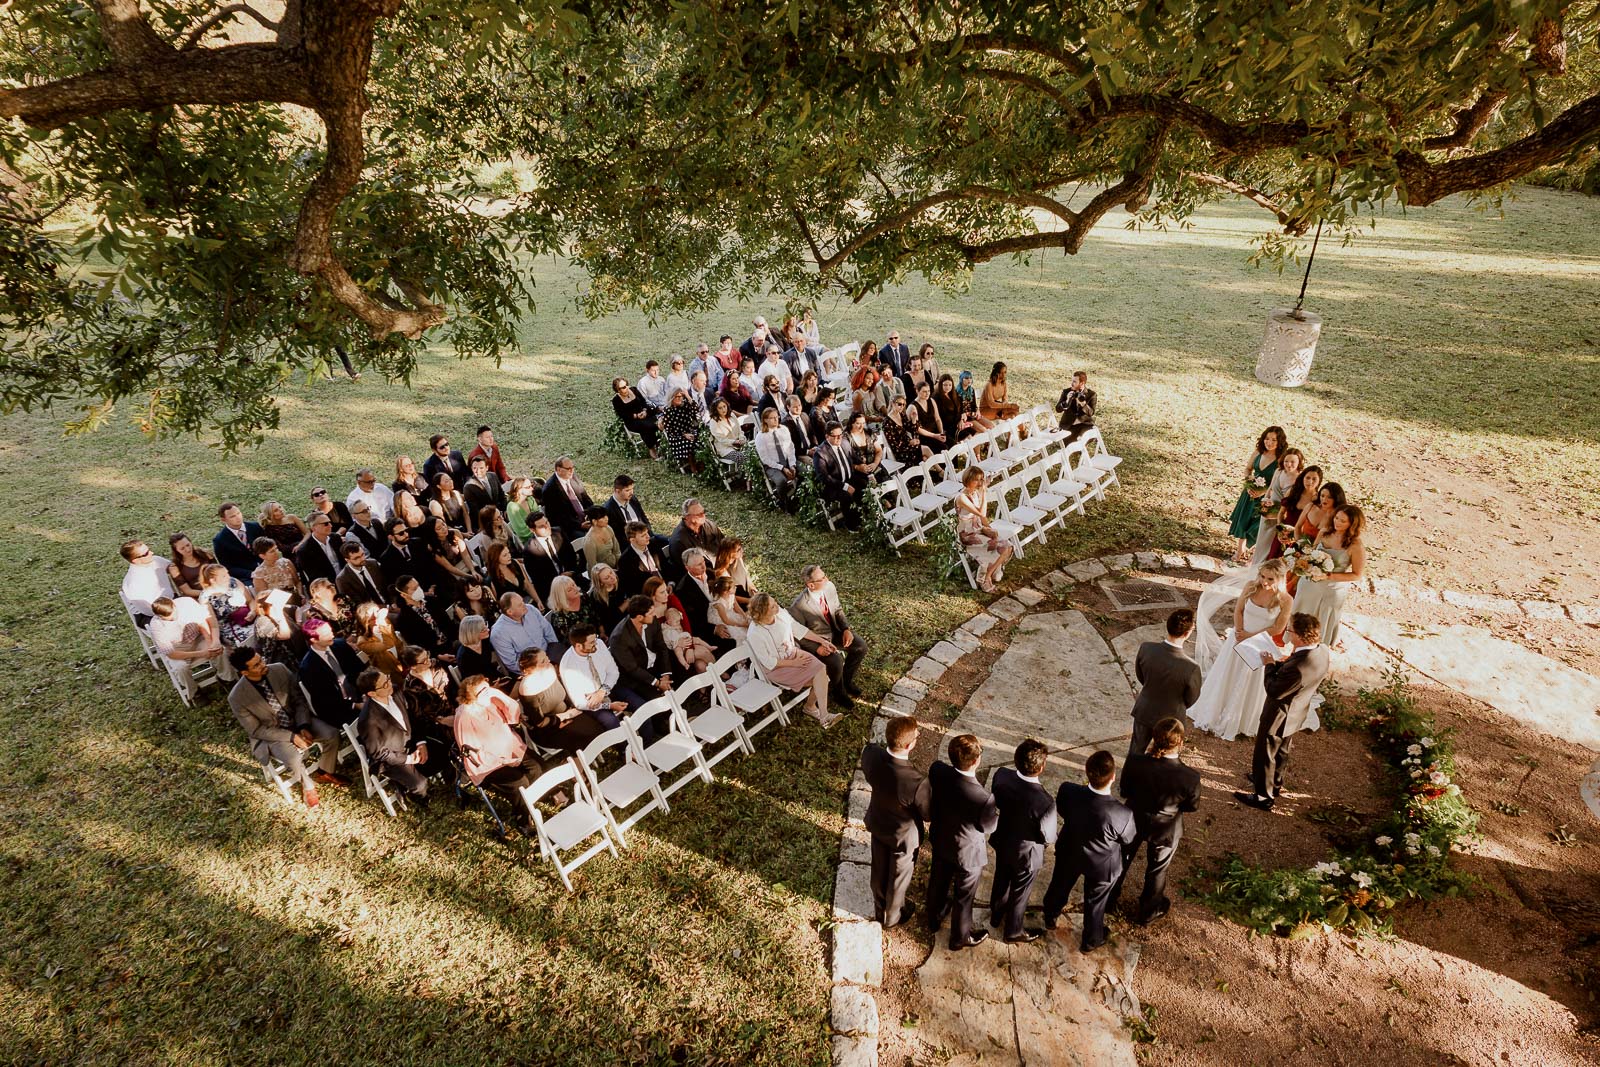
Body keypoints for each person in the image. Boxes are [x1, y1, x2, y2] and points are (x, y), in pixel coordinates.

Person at [1041, 750, 1136, 952]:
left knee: (1059, 884)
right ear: (1113, 777)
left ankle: (1050, 916)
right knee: (1096, 901)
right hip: (1102, 864)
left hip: (1070, 850)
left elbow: (1063, 811)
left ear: (1087, 772)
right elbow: (1128, 839)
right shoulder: (1123, 813)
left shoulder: (1068, 791)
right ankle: (1091, 939)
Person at [1189, 559, 1293, 740]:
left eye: (1270, 579)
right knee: (1227, 674)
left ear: (1280, 579)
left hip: (1259, 644)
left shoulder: (1285, 599)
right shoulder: (1251, 587)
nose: (1265, 582)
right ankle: (1214, 711)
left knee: (1249, 680)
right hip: (1237, 638)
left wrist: (1250, 637)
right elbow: (1238, 611)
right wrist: (1239, 632)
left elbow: (1278, 628)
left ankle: (1241, 720)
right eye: (1262, 576)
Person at [1236, 614, 1332, 811]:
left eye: (1289, 631)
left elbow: (1273, 690)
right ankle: (1275, 783)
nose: (1287, 634)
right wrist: (1282, 663)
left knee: (1266, 753)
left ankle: (1264, 797)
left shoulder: (1297, 667)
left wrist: (1269, 665)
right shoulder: (1321, 651)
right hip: (1296, 712)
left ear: (1300, 636)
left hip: (1279, 715)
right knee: (1282, 750)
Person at [228, 648, 345, 808]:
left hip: (297, 719)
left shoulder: (279, 669)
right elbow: (256, 730)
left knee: (331, 734)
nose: (263, 664)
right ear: (245, 673)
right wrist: (292, 737)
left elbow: (298, 699)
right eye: (256, 665)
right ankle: (307, 784)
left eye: (261, 659)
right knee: (293, 758)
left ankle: (324, 771)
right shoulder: (237, 697)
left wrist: (303, 725)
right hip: (273, 735)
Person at [1115, 718, 1200, 926]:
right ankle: (1148, 911)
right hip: (1166, 828)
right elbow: (1191, 806)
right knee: (1157, 869)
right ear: (1180, 743)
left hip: (1133, 820)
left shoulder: (1135, 761)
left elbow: (1124, 790)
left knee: (1121, 861)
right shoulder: (1190, 777)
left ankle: (1108, 899)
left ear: (1154, 738)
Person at [925, 733, 1000, 951]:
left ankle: (933, 918)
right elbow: (989, 827)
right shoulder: (983, 798)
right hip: (967, 853)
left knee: (938, 881)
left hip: (941, 840)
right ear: (976, 761)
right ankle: (959, 938)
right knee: (964, 896)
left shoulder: (938, 770)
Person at [860, 715, 932, 928]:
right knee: (898, 879)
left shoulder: (871, 755)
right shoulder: (917, 781)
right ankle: (892, 918)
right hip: (902, 838)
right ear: (910, 745)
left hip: (878, 824)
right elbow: (928, 814)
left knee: (879, 869)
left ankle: (878, 907)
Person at [987, 739, 1058, 943]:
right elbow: (1049, 836)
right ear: (1041, 767)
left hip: (1003, 840)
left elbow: (997, 801)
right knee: (1020, 892)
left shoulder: (1001, 776)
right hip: (1027, 853)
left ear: (1015, 759)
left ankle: (996, 915)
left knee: (1001, 877)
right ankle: (1013, 930)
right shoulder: (1045, 802)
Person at [745, 592, 838, 726]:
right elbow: (769, 662)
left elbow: (798, 629)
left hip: (794, 654)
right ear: (763, 612)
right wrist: (794, 663)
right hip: (776, 668)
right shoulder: (755, 633)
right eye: (772, 606)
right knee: (821, 679)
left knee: (822, 672)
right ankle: (814, 710)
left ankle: (821, 713)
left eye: (775, 602)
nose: (777, 606)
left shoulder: (780, 613)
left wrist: (822, 641)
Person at [454, 674, 546, 809]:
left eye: (488, 688)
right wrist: (505, 761)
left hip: (510, 747)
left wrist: (498, 694)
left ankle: (533, 798)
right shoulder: (464, 716)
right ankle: (524, 818)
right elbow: (473, 754)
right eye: (484, 691)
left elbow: (514, 717)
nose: (488, 692)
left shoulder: (491, 700)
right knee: (519, 782)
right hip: (488, 763)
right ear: (472, 696)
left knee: (537, 767)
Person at [1126, 609, 1202, 767]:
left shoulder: (1146, 648)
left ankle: (1127, 784)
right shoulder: (1191, 668)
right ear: (1188, 633)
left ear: (1167, 625)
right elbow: (1191, 698)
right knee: (1165, 758)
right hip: (1171, 719)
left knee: (1135, 750)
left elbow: (1141, 676)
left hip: (1145, 709)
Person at [789, 564, 868, 708]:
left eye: (825, 575)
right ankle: (838, 692)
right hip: (819, 642)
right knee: (836, 662)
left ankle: (847, 680)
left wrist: (846, 629)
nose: (827, 579)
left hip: (836, 631)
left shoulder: (829, 587)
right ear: (811, 585)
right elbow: (798, 635)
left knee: (860, 647)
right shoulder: (798, 606)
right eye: (822, 578)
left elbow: (837, 609)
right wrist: (816, 648)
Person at [1292, 504, 1366, 649]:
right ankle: (1294, 651)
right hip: (1309, 585)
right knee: (1301, 620)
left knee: (1319, 626)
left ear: (1352, 524)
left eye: (1343, 521)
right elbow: (1312, 554)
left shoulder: (1356, 546)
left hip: (1331, 591)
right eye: (1337, 518)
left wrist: (1328, 576)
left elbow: (1357, 575)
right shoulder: (1324, 532)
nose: (1337, 522)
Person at [355, 668, 431, 807]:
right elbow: (379, 753)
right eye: (384, 684)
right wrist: (408, 759)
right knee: (420, 784)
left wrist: (421, 743)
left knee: (439, 757)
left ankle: (405, 780)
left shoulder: (395, 690)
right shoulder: (367, 721)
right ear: (372, 693)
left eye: (388, 679)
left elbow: (412, 717)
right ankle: (415, 796)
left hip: (410, 742)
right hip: (390, 758)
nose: (390, 684)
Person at [514, 646, 608, 755]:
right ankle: (578, 767)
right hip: (549, 728)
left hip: (568, 712)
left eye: (546, 657)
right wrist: (567, 715)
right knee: (581, 738)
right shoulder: (528, 689)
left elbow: (564, 693)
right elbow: (540, 723)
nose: (548, 661)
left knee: (598, 725)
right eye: (543, 661)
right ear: (530, 669)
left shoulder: (549, 668)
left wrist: (574, 707)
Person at [1227, 426, 1287, 564]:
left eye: (1274, 440)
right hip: (1249, 494)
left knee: (1258, 526)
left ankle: (1255, 554)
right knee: (1243, 521)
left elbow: (1278, 482)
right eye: (1267, 439)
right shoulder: (1257, 453)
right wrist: (1249, 483)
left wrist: (1263, 491)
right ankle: (1240, 550)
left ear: (1280, 442)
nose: (1269, 442)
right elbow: (1248, 470)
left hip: (1267, 497)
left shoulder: (1280, 460)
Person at [608, 595, 677, 712]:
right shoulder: (619, 637)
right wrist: (658, 683)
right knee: (659, 706)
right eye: (650, 613)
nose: (654, 615)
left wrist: (665, 675)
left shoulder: (652, 620)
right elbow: (632, 669)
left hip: (655, 667)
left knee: (676, 693)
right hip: (636, 678)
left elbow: (661, 647)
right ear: (640, 617)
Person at [955, 467, 1016, 592]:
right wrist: (984, 494)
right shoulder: (962, 498)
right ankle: (985, 578)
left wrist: (989, 529)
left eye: (981, 480)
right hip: (967, 535)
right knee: (1001, 547)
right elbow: (981, 513)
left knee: (1008, 546)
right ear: (968, 480)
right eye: (976, 480)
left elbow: (982, 519)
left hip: (979, 529)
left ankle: (992, 570)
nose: (980, 483)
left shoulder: (975, 493)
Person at [559, 624, 634, 723]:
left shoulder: (598, 643)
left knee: (639, 704)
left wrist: (602, 692)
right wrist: (609, 706)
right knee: (612, 723)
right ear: (578, 645)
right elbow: (579, 703)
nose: (596, 643)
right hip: (591, 703)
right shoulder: (568, 666)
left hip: (608, 686)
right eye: (591, 642)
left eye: (595, 639)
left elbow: (613, 672)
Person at [298, 618, 365, 728]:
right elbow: (325, 699)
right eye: (326, 634)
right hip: (336, 707)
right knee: (367, 718)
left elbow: (359, 670)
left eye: (330, 631)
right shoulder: (308, 668)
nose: (332, 635)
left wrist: (365, 693)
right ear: (314, 640)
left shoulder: (341, 645)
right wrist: (355, 705)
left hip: (359, 693)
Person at [147, 595, 227, 685]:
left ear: (174, 605)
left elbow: (202, 622)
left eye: (174, 613)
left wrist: (210, 642)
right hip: (178, 647)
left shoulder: (186, 602)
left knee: (218, 650)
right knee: (180, 668)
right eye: (170, 619)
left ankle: (226, 678)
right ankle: (194, 693)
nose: (174, 618)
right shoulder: (156, 626)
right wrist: (201, 653)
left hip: (197, 637)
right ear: (159, 616)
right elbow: (171, 654)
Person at [1250, 448, 1305, 565]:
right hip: (1268, 511)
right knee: (1262, 541)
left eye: (1292, 462)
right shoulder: (1278, 471)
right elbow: (1270, 489)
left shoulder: (1300, 479)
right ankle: (1255, 565)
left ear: (1299, 463)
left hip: (1282, 514)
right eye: (1286, 461)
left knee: (1272, 544)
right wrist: (1265, 501)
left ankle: (1265, 566)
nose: (1288, 465)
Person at [673, 548, 729, 655]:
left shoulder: (710, 573)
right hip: (708, 627)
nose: (703, 566)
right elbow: (693, 620)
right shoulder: (682, 591)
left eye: (703, 561)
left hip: (724, 614)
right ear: (688, 568)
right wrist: (714, 629)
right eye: (699, 565)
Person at [490, 591, 561, 675]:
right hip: (532, 669)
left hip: (550, 654)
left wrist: (555, 654)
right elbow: (512, 663)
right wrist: (537, 669)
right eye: (520, 605)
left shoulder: (530, 609)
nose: (524, 605)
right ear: (510, 612)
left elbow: (548, 631)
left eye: (522, 601)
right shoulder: (498, 633)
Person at [812, 421, 864, 527]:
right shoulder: (820, 453)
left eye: (840, 435)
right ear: (827, 436)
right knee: (846, 496)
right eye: (835, 436)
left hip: (850, 478)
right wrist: (844, 486)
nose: (839, 438)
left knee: (864, 483)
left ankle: (865, 514)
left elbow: (854, 457)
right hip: (833, 485)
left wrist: (864, 466)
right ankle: (852, 525)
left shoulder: (844, 442)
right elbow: (824, 478)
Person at [200, 563, 260, 652]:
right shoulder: (205, 598)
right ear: (213, 580)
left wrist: (253, 611)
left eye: (227, 573)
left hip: (248, 617)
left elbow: (250, 601)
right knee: (250, 638)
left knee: (268, 626)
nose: (228, 577)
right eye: (224, 576)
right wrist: (216, 641)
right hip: (230, 627)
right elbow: (214, 625)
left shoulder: (234, 582)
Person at [522, 510, 577, 603]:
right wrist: (559, 581)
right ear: (532, 530)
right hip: (552, 589)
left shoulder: (559, 532)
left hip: (571, 577)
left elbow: (572, 556)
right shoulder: (529, 550)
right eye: (541, 526)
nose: (547, 527)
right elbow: (538, 579)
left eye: (547, 522)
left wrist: (570, 572)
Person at [120, 538, 175, 625]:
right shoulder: (133, 583)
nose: (151, 553)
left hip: (172, 602)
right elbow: (148, 610)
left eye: (149, 550)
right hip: (150, 615)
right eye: (146, 553)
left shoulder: (156, 560)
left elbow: (173, 567)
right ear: (135, 560)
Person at [541, 456, 594, 543]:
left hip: (585, 519)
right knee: (589, 540)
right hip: (570, 528)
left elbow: (585, 498)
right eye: (568, 468)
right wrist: (580, 525)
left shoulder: (572, 476)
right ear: (558, 469)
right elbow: (558, 518)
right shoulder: (549, 490)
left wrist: (591, 514)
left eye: (573, 467)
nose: (572, 471)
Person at [390, 574, 449, 653]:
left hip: (451, 640)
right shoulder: (403, 620)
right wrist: (437, 654)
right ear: (404, 595)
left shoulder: (431, 600)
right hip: (435, 652)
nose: (419, 590)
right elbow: (417, 645)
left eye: (418, 586)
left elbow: (447, 622)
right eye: (414, 589)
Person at [754, 406, 799, 507]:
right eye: (772, 418)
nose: (776, 419)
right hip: (772, 465)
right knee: (781, 480)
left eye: (777, 416)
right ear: (765, 420)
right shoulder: (761, 436)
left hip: (787, 460)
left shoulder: (783, 429)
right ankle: (784, 502)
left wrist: (792, 464)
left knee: (803, 471)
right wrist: (782, 468)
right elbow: (765, 459)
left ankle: (797, 496)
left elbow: (791, 448)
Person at [212, 503, 267, 583]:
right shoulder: (220, 540)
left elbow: (268, 548)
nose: (238, 517)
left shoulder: (255, 527)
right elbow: (228, 567)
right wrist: (251, 574)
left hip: (267, 566)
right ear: (223, 520)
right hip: (246, 576)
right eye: (232, 516)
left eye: (238, 513)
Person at [665, 498, 722, 573]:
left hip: (720, 565)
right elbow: (689, 571)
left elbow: (723, 542)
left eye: (703, 512)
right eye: (699, 514)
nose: (703, 516)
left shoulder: (709, 525)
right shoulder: (679, 541)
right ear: (687, 517)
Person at [611, 377, 661, 459]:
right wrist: (636, 415)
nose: (626, 388)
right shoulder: (616, 400)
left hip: (644, 414)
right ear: (618, 390)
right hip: (632, 421)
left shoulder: (634, 390)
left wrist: (644, 411)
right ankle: (652, 448)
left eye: (626, 385)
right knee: (646, 426)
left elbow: (643, 402)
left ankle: (659, 443)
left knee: (656, 420)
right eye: (623, 387)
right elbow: (622, 415)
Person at [351, 600, 404, 676]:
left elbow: (397, 642)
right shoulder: (363, 641)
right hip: (390, 673)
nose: (377, 618)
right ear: (366, 622)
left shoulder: (385, 622)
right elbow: (388, 645)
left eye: (377, 613)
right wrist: (382, 623)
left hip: (402, 662)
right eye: (372, 618)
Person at [618, 520, 668, 598]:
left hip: (667, 587)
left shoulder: (654, 545)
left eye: (647, 533)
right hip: (648, 597)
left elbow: (666, 566)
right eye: (643, 535)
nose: (648, 536)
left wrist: (671, 583)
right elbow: (631, 589)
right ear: (632, 540)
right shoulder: (625, 561)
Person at [544, 574, 597, 645]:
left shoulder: (583, 597)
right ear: (562, 596)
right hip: (580, 645)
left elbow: (595, 615)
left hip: (596, 635)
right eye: (570, 590)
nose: (575, 589)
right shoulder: (559, 617)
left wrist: (601, 631)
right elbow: (568, 641)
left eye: (574, 585)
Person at [251, 537, 303, 609]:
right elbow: (263, 597)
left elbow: (297, 582)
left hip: (295, 598)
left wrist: (300, 594)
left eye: (276, 549)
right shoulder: (259, 574)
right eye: (272, 551)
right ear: (262, 556)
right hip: (277, 605)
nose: (277, 552)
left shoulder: (286, 562)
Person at [294, 512, 343, 586]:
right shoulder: (304, 551)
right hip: (327, 586)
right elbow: (313, 577)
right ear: (313, 528)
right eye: (326, 524)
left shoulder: (336, 538)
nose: (330, 525)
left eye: (330, 522)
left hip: (345, 580)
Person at [661, 388, 704, 473]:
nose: (680, 399)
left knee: (701, 438)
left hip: (689, 430)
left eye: (681, 396)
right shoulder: (668, 410)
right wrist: (684, 435)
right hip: (676, 435)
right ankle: (693, 466)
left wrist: (688, 396)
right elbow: (669, 429)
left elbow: (696, 410)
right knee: (689, 443)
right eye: (677, 397)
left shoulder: (685, 405)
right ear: (672, 398)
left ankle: (702, 463)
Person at [335, 541, 388, 607]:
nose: (362, 559)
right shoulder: (342, 579)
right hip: (369, 611)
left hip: (388, 602)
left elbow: (387, 586)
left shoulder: (373, 563)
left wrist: (393, 603)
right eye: (357, 558)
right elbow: (356, 604)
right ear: (347, 560)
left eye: (363, 554)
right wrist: (386, 607)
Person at [165, 533, 216, 599]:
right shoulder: (175, 567)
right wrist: (209, 593)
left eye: (188, 545)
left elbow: (219, 571)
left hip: (217, 587)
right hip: (198, 596)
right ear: (176, 550)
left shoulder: (205, 554)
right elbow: (187, 591)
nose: (187, 549)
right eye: (182, 548)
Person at [455, 614, 502, 679]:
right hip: (479, 685)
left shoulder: (484, 641)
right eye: (483, 630)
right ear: (473, 634)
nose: (488, 630)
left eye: (486, 625)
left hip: (494, 676)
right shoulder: (463, 657)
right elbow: (472, 682)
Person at [1055, 370, 1097, 442]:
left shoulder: (1091, 394)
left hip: (1084, 424)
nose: (1071, 384)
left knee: (1085, 437)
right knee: (1069, 445)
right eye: (1072, 381)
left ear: (1082, 383)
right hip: (1069, 425)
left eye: (1074, 382)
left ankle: (1083, 438)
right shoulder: (1066, 392)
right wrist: (1067, 401)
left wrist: (1083, 404)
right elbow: (1058, 409)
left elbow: (1091, 413)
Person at [462, 455, 507, 520]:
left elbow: (501, 495)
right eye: (475, 468)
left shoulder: (493, 476)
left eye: (481, 468)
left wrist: (505, 509)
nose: (478, 471)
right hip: (485, 520)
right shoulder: (468, 487)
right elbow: (475, 511)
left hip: (500, 514)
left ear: (487, 468)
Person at [707, 576, 750, 644]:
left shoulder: (731, 596)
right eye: (733, 587)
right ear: (725, 592)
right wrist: (741, 624)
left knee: (747, 623)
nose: (736, 587)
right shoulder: (719, 604)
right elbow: (726, 621)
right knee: (741, 633)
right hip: (722, 619)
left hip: (729, 613)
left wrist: (745, 617)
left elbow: (737, 608)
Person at [587, 563, 625, 634]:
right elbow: (608, 619)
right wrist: (625, 605)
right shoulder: (595, 596)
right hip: (613, 626)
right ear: (601, 583)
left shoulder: (620, 577)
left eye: (611, 572)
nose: (612, 577)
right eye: (607, 578)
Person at [579, 507, 620, 573]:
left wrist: (619, 565)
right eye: (603, 517)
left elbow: (617, 551)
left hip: (615, 566)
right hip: (600, 572)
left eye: (606, 515)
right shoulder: (589, 541)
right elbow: (593, 565)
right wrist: (609, 572)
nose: (606, 518)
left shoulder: (608, 528)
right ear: (594, 521)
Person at [933, 374, 967, 450]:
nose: (947, 387)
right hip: (948, 428)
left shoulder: (954, 395)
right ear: (941, 385)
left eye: (949, 385)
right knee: (967, 438)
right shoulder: (937, 398)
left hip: (959, 424)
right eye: (945, 385)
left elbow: (960, 409)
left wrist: (961, 420)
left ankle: (976, 458)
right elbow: (942, 417)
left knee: (972, 436)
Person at [910, 381, 945, 455]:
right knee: (943, 447)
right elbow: (918, 429)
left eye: (928, 391)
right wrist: (935, 436)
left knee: (952, 443)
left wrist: (941, 433)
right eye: (924, 391)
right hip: (924, 436)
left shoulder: (931, 401)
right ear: (917, 391)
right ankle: (944, 466)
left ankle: (954, 466)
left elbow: (937, 419)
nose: (927, 393)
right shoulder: (913, 407)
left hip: (936, 432)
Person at [708, 396, 746, 461]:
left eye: (724, 406)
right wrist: (734, 442)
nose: (723, 409)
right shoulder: (714, 422)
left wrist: (741, 439)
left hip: (739, 443)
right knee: (740, 456)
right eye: (720, 408)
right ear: (716, 409)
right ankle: (743, 471)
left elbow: (740, 431)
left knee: (752, 452)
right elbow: (722, 440)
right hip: (725, 448)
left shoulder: (732, 415)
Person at [505, 477, 538, 542]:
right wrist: (539, 532)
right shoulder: (512, 507)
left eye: (531, 486)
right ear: (518, 490)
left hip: (538, 533)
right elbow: (522, 532)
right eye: (528, 487)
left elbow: (539, 517)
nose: (532, 488)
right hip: (527, 541)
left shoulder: (530, 499)